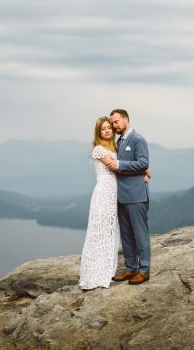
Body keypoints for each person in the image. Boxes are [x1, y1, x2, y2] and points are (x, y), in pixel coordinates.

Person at [79, 116, 151, 291]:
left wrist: (145, 169)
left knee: (119, 233)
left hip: (120, 194)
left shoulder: (123, 143)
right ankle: (100, 272)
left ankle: (142, 269)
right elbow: (114, 166)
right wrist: (144, 169)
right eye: (103, 128)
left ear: (125, 120)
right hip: (105, 194)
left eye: (110, 126)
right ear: (98, 132)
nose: (108, 130)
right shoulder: (99, 149)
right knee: (103, 232)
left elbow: (134, 163)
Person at [100, 109, 151, 285]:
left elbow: (144, 162)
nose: (114, 126)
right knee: (127, 235)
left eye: (116, 122)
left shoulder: (137, 139)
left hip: (136, 195)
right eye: (112, 123)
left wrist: (119, 164)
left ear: (126, 120)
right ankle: (130, 268)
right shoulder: (118, 142)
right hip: (121, 196)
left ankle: (144, 270)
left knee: (140, 234)